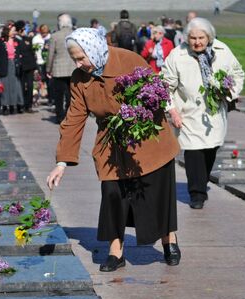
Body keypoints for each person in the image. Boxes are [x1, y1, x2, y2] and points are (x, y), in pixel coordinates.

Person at [46, 28, 181, 271]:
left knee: (158, 191)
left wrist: (158, 109)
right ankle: (115, 251)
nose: (78, 64)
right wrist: (61, 162)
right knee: (112, 194)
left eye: (81, 57)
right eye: (74, 59)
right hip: (112, 142)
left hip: (147, 137)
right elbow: (74, 117)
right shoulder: (79, 78)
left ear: (94, 49)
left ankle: (168, 239)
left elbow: (156, 89)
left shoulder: (128, 59)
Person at [161, 17, 245, 209]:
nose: (197, 42)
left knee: (210, 149)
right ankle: (197, 193)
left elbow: (238, 73)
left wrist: (230, 92)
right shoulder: (177, 55)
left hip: (214, 113)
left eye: (201, 37)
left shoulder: (222, 51)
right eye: (193, 38)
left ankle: (202, 180)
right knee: (193, 152)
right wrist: (172, 111)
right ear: (186, 38)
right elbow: (165, 86)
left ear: (209, 37)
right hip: (188, 113)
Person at [47, 13, 76, 123]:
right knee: (71, 94)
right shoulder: (75, 34)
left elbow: (50, 55)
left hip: (58, 69)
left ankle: (59, 116)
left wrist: (48, 69)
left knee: (58, 95)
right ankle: (69, 116)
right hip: (73, 68)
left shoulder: (55, 36)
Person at [0, 24, 24, 115]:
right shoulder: (0, 43)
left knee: (15, 86)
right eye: (12, 30)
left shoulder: (17, 41)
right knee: (5, 87)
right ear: (7, 31)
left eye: (15, 31)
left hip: (15, 66)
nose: (14, 32)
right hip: (4, 66)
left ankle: (14, 105)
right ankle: (5, 106)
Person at [15, 20, 38, 113]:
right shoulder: (15, 40)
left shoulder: (28, 39)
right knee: (21, 86)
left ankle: (29, 105)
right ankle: (21, 104)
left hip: (30, 66)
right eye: (24, 28)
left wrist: (36, 67)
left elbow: (32, 53)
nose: (25, 30)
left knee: (30, 85)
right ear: (19, 30)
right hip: (20, 67)